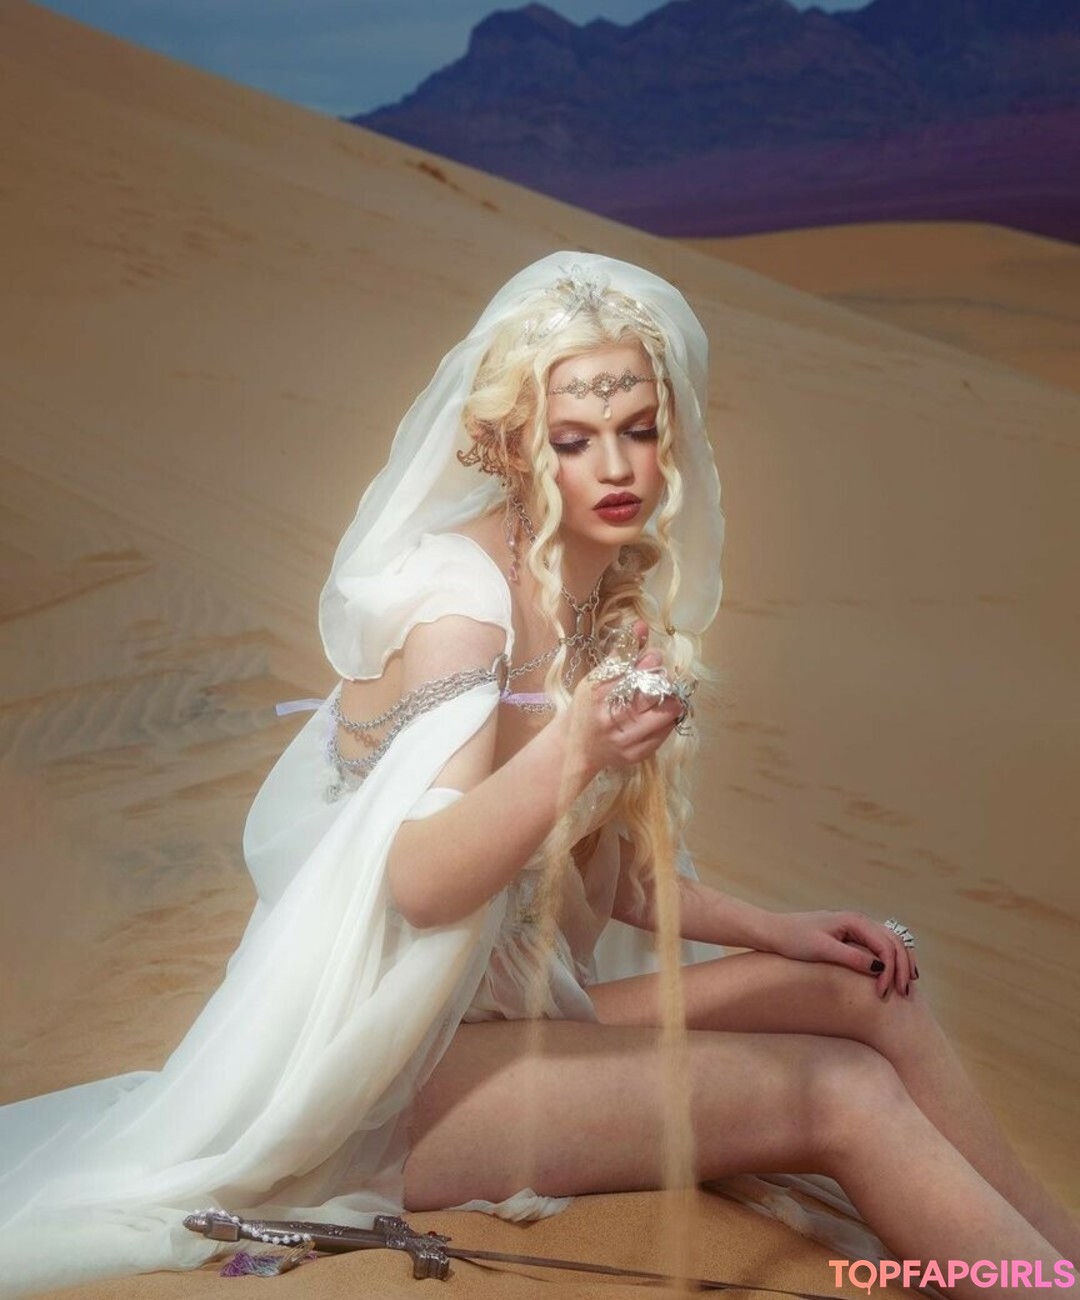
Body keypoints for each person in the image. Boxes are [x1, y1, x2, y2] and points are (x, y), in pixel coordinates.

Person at [0, 253, 1075, 1299]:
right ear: (514, 445)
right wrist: (578, 750)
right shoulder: (460, 606)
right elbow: (419, 882)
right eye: (574, 439)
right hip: (388, 1082)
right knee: (841, 1093)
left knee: (868, 991)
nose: (616, 468)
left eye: (638, 430)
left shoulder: (605, 599)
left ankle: (1060, 1254)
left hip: (513, 1019)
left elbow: (603, 872)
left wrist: (778, 928)